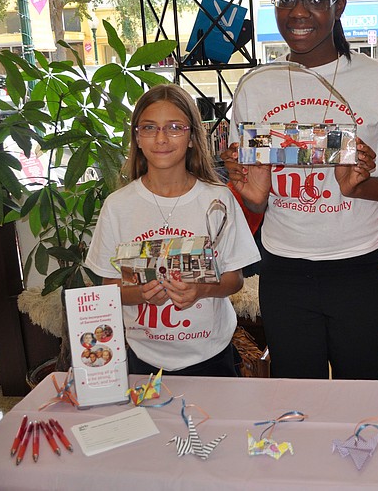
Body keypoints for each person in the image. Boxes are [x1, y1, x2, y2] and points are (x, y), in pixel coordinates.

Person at [222, 0, 378, 380]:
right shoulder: (255, 87)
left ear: (340, 5)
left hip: (360, 270)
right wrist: (253, 196)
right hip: (284, 272)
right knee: (298, 404)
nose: (298, 12)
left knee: (361, 400)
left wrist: (361, 187)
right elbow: (257, 202)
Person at [85, 84, 260, 377]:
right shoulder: (117, 206)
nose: (162, 138)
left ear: (192, 137)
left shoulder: (218, 199)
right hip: (143, 358)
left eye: (175, 127)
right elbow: (108, 287)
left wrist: (201, 289)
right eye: (149, 128)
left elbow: (234, 279)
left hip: (212, 355)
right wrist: (140, 293)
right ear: (137, 137)